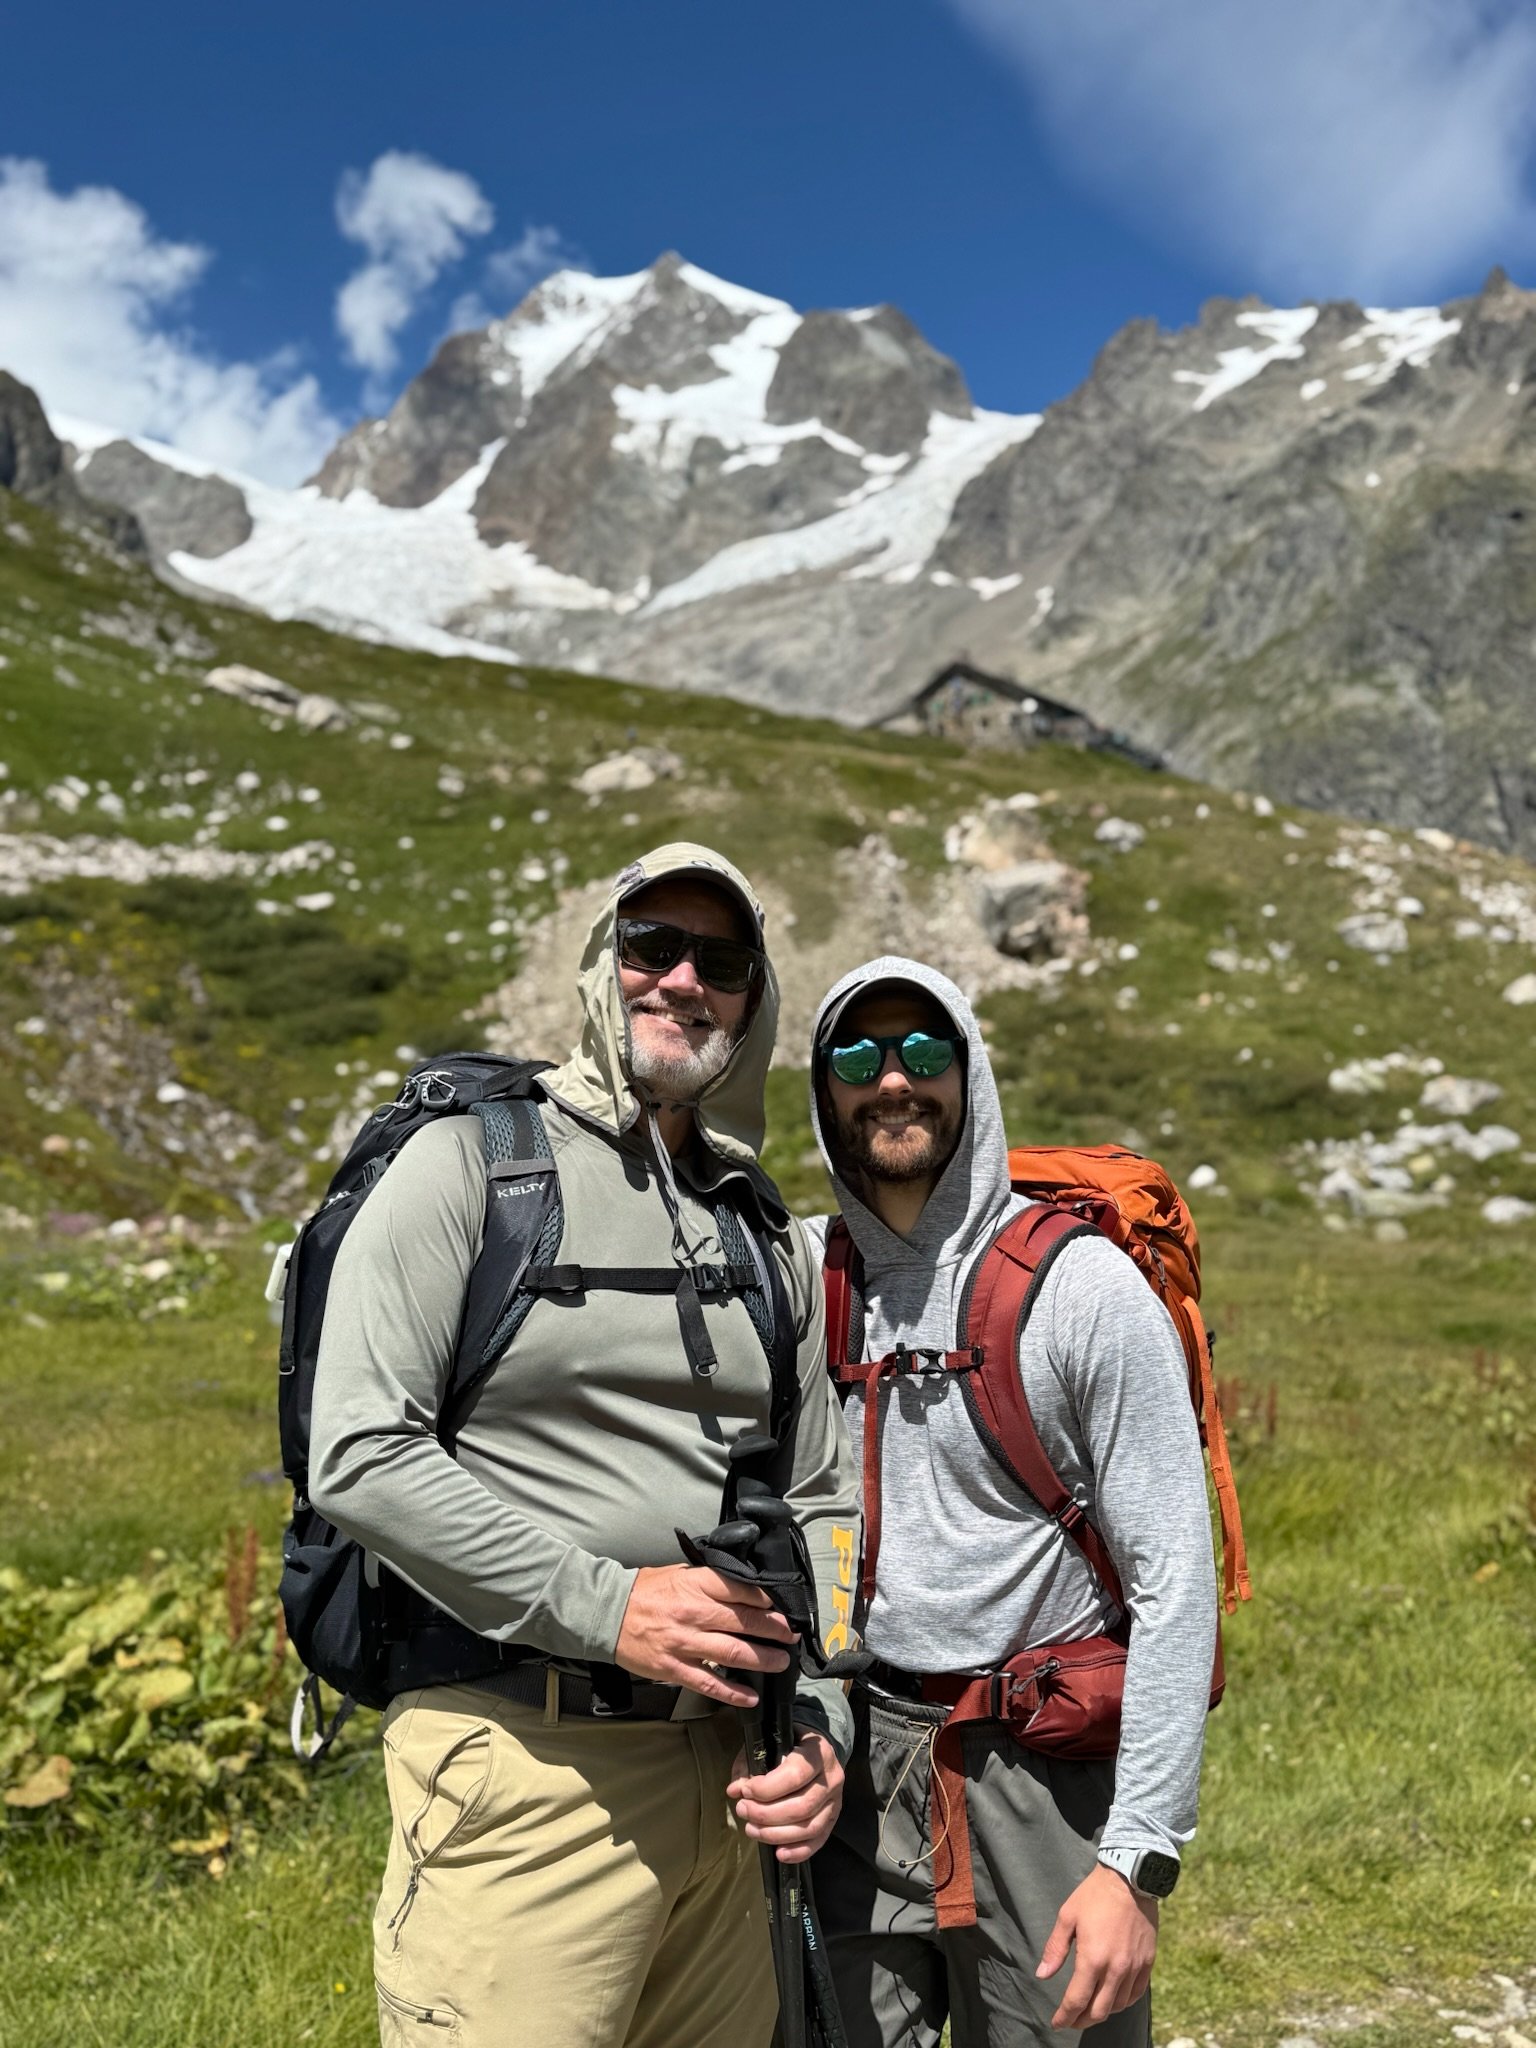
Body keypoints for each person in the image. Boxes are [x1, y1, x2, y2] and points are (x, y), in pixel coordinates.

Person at [308, 844, 859, 2048]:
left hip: (731, 1780)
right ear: (598, 965)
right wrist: (610, 1606)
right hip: (520, 1770)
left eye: (721, 961)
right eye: (650, 945)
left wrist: (822, 1719)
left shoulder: (760, 1224)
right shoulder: (472, 1163)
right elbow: (356, 1447)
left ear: (754, 999)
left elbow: (825, 1497)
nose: (682, 981)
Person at [805, 957, 1218, 2048]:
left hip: (1042, 1770)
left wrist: (1135, 1863)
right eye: (857, 1055)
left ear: (971, 1073)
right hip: (854, 1767)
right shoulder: (808, 1279)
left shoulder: (1082, 1287)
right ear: (822, 1090)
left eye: (924, 1051)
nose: (893, 1081)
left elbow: (1179, 1578)